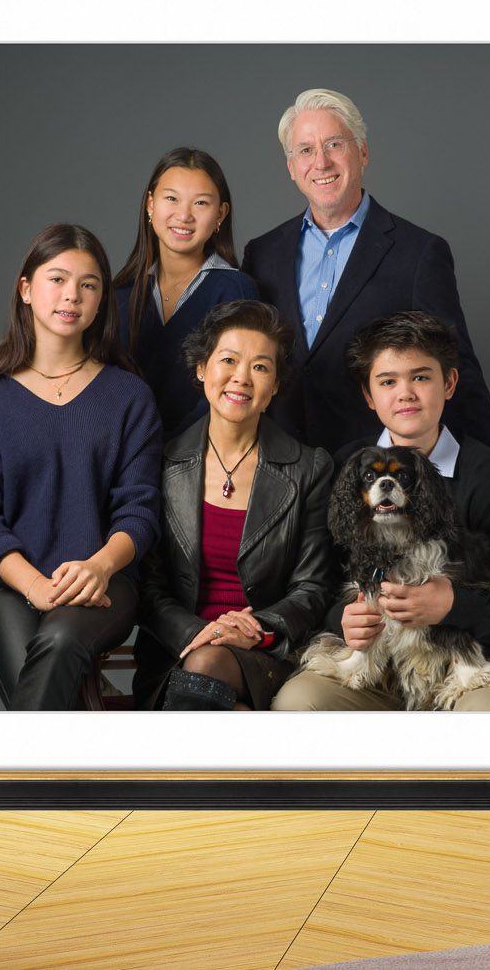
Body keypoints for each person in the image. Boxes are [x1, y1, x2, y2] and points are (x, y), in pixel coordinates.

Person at [272, 310, 490, 711]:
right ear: (369, 396)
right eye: (388, 381)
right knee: (299, 703)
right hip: (382, 660)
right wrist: (345, 618)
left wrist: (455, 606)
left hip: (483, 655)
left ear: (449, 384)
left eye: (421, 377)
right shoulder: (345, 468)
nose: (405, 393)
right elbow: (317, 584)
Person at [0, 224, 162, 711]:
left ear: (102, 299)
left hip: (104, 578)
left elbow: (140, 512)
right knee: (43, 684)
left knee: (60, 645)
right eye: (57, 279)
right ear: (26, 289)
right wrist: (35, 585)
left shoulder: (129, 396)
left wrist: (100, 566)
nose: (72, 296)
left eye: (89, 285)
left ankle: (27, 784)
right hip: (7, 579)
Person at [242, 88, 490, 458]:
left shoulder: (419, 253)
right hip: (282, 470)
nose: (321, 162)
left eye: (334, 144)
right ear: (291, 168)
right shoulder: (262, 253)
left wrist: (485, 479)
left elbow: (457, 371)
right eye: (305, 150)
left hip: (379, 475)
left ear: (362, 151)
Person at [133, 299, 335, 711]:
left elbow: (313, 588)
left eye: (260, 367)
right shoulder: (161, 462)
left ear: (275, 385)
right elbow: (147, 586)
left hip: (268, 656)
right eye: (228, 360)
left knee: (207, 668)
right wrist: (199, 631)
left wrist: (256, 630)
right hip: (177, 651)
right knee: (205, 668)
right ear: (202, 368)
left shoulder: (309, 467)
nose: (241, 378)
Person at [111, 148, 260, 437]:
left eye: (201, 203)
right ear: (150, 204)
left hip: (200, 460)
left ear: (221, 213)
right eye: (171, 199)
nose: (184, 215)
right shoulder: (120, 295)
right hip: (125, 456)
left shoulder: (236, 290)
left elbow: (233, 388)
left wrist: (171, 452)